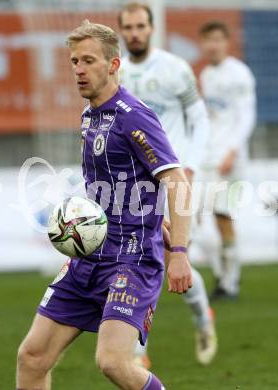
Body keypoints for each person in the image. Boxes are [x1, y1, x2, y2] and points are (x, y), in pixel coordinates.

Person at [16, 20, 193, 390]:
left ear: (113, 66)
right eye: (74, 61)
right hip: (88, 256)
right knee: (32, 357)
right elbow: (114, 185)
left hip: (131, 260)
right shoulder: (89, 116)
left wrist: (179, 250)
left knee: (112, 362)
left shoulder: (133, 115)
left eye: (89, 61)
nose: (79, 70)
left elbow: (175, 180)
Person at [118, 2, 217, 366]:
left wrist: (189, 167)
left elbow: (200, 119)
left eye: (141, 26)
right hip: (135, 187)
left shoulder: (175, 69)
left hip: (173, 179)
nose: (135, 33)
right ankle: (138, 350)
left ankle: (202, 317)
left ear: (151, 27)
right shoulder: (117, 73)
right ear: (121, 31)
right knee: (138, 257)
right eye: (128, 27)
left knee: (177, 254)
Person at [199, 21, 256, 300]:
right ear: (203, 44)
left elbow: (247, 115)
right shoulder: (206, 74)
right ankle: (223, 276)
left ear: (226, 42)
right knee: (196, 217)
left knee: (223, 216)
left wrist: (232, 150)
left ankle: (230, 281)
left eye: (218, 39)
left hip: (231, 158)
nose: (213, 45)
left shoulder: (239, 73)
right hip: (209, 156)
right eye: (208, 40)